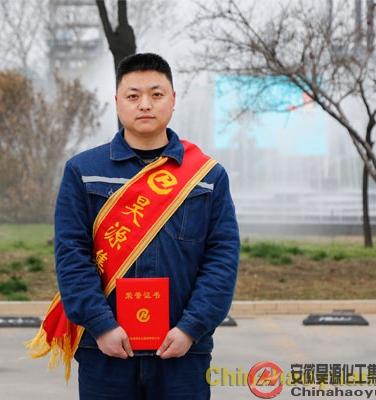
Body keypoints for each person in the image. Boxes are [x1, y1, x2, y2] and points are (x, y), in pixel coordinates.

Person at [28, 53, 240, 399]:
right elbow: (71, 256)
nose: (145, 104)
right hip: (105, 349)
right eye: (133, 95)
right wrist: (101, 325)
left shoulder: (207, 177)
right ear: (117, 102)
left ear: (173, 100)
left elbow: (222, 259)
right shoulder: (83, 171)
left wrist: (191, 327)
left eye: (156, 94)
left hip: (182, 351)